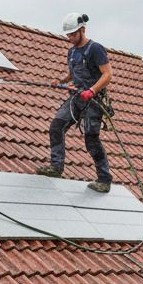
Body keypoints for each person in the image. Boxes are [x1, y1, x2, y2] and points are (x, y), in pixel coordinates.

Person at [36, 12, 113, 193]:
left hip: (93, 101)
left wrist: (92, 90)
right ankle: (56, 167)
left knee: (91, 140)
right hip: (77, 98)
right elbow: (73, 73)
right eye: (68, 35)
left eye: (73, 34)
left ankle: (104, 179)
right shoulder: (71, 52)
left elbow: (107, 75)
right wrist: (61, 81)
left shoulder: (96, 49)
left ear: (82, 30)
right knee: (56, 126)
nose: (70, 38)